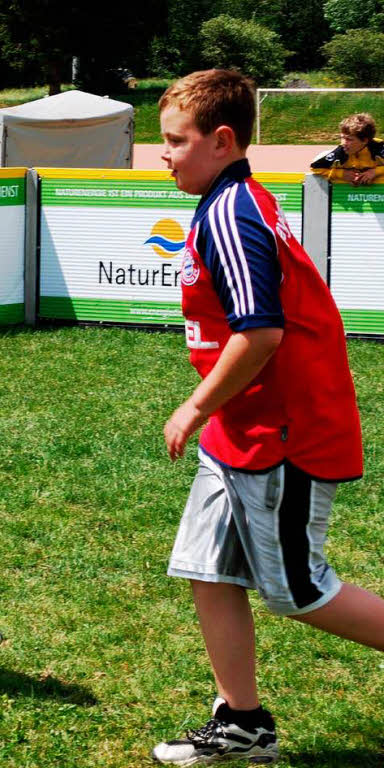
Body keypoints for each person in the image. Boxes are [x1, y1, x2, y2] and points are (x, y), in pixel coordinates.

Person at [153, 69, 384, 765]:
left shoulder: (231, 214)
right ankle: (243, 723)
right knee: (207, 566)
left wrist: (195, 405)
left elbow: (261, 334)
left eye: (174, 141)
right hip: (242, 425)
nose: (163, 153)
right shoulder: (230, 198)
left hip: (285, 432)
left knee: (300, 592)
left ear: (222, 141)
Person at [310, 112, 384, 185]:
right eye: (342, 138)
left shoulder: (379, 146)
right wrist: (341, 174)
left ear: (364, 140)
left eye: (349, 139)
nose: (343, 143)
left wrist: (375, 172)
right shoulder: (342, 150)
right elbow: (315, 167)